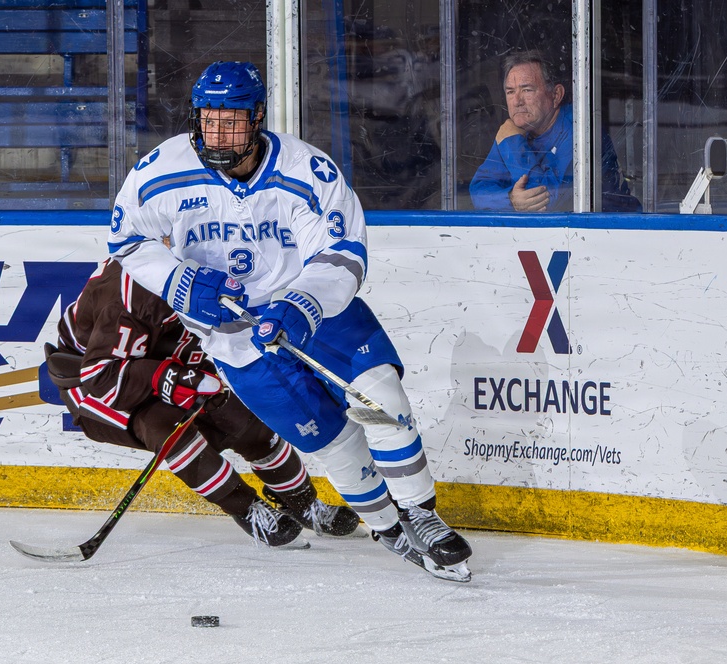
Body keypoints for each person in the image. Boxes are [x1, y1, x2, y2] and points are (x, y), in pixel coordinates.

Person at [106, 61, 472, 582]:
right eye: (208, 120)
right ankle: (386, 526)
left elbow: (343, 251)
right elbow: (125, 240)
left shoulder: (305, 170)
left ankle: (420, 512)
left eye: (231, 121)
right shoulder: (160, 170)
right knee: (331, 440)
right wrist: (181, 283)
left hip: (315, 311)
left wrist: (303, 303)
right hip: (233, 338)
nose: (217, 133)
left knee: (381, 396)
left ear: (257, 118)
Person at [44, 257, 361, 548]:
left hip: (167, 359)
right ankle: (246, 509)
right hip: (96, 381)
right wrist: (170, 378)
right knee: (169, 430)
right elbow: (100, 374)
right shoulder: (134, 292)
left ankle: (304, 504)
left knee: (245, 421)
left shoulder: (214, 257)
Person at [470, 50, 639, 212]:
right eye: (510, 92)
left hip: (616, 228)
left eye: (527, 90)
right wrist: (511, 200)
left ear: (556, 95)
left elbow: (550, 205)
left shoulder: (579, 129)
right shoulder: (514, 131)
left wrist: (514, 144)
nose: (517, 101)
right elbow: (478, 190)